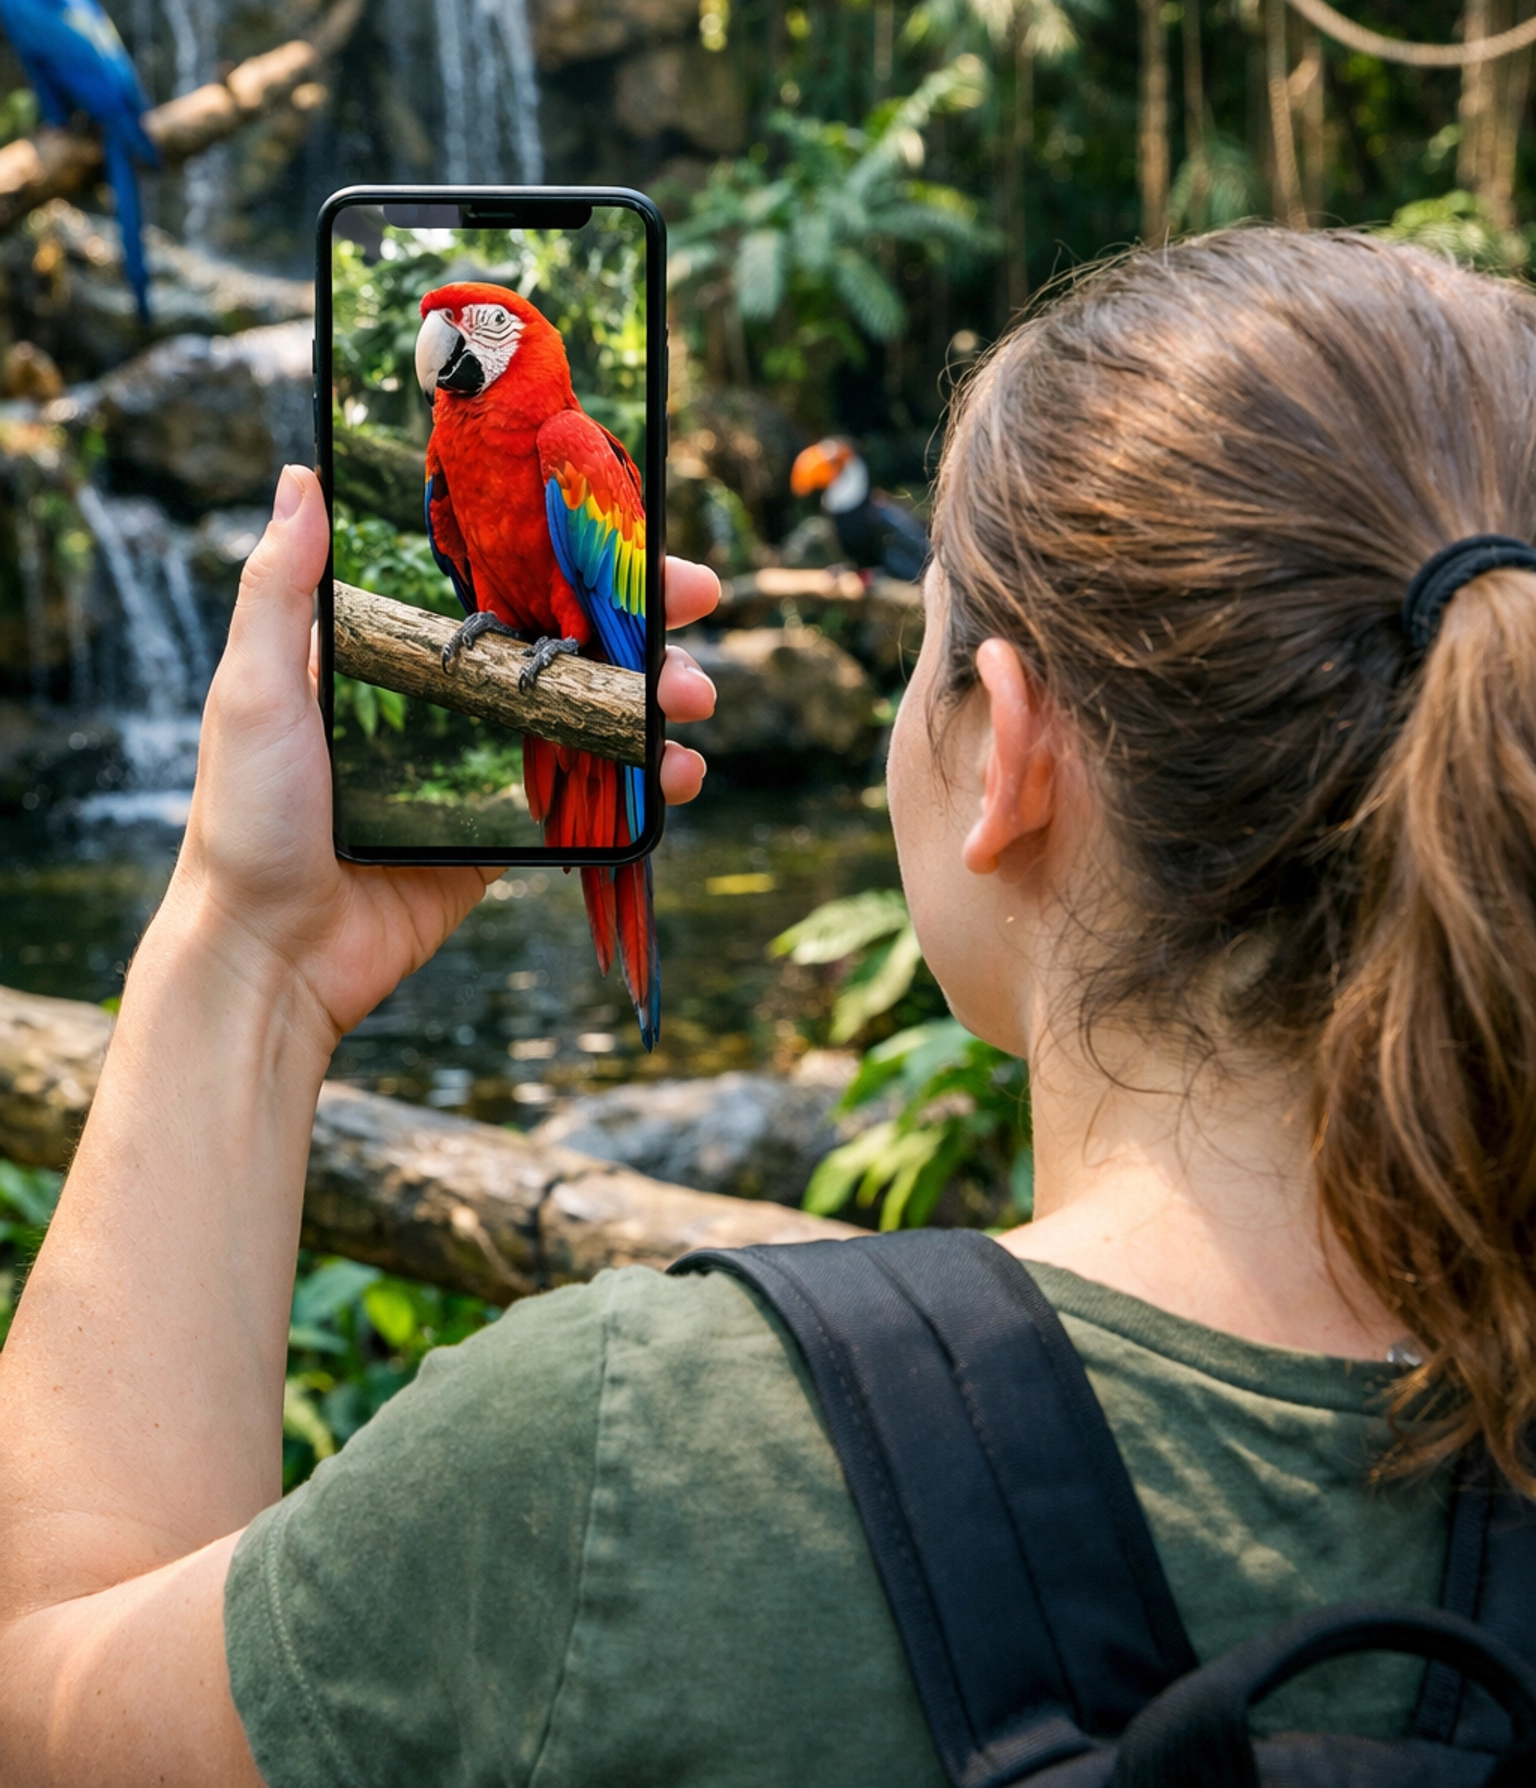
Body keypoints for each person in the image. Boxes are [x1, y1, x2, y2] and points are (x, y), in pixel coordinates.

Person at [4, 223, 1536, 1785]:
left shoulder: (624, 1457)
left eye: (927, 641)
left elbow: (31, 1721)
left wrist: (243, 953)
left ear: (1003, 754)